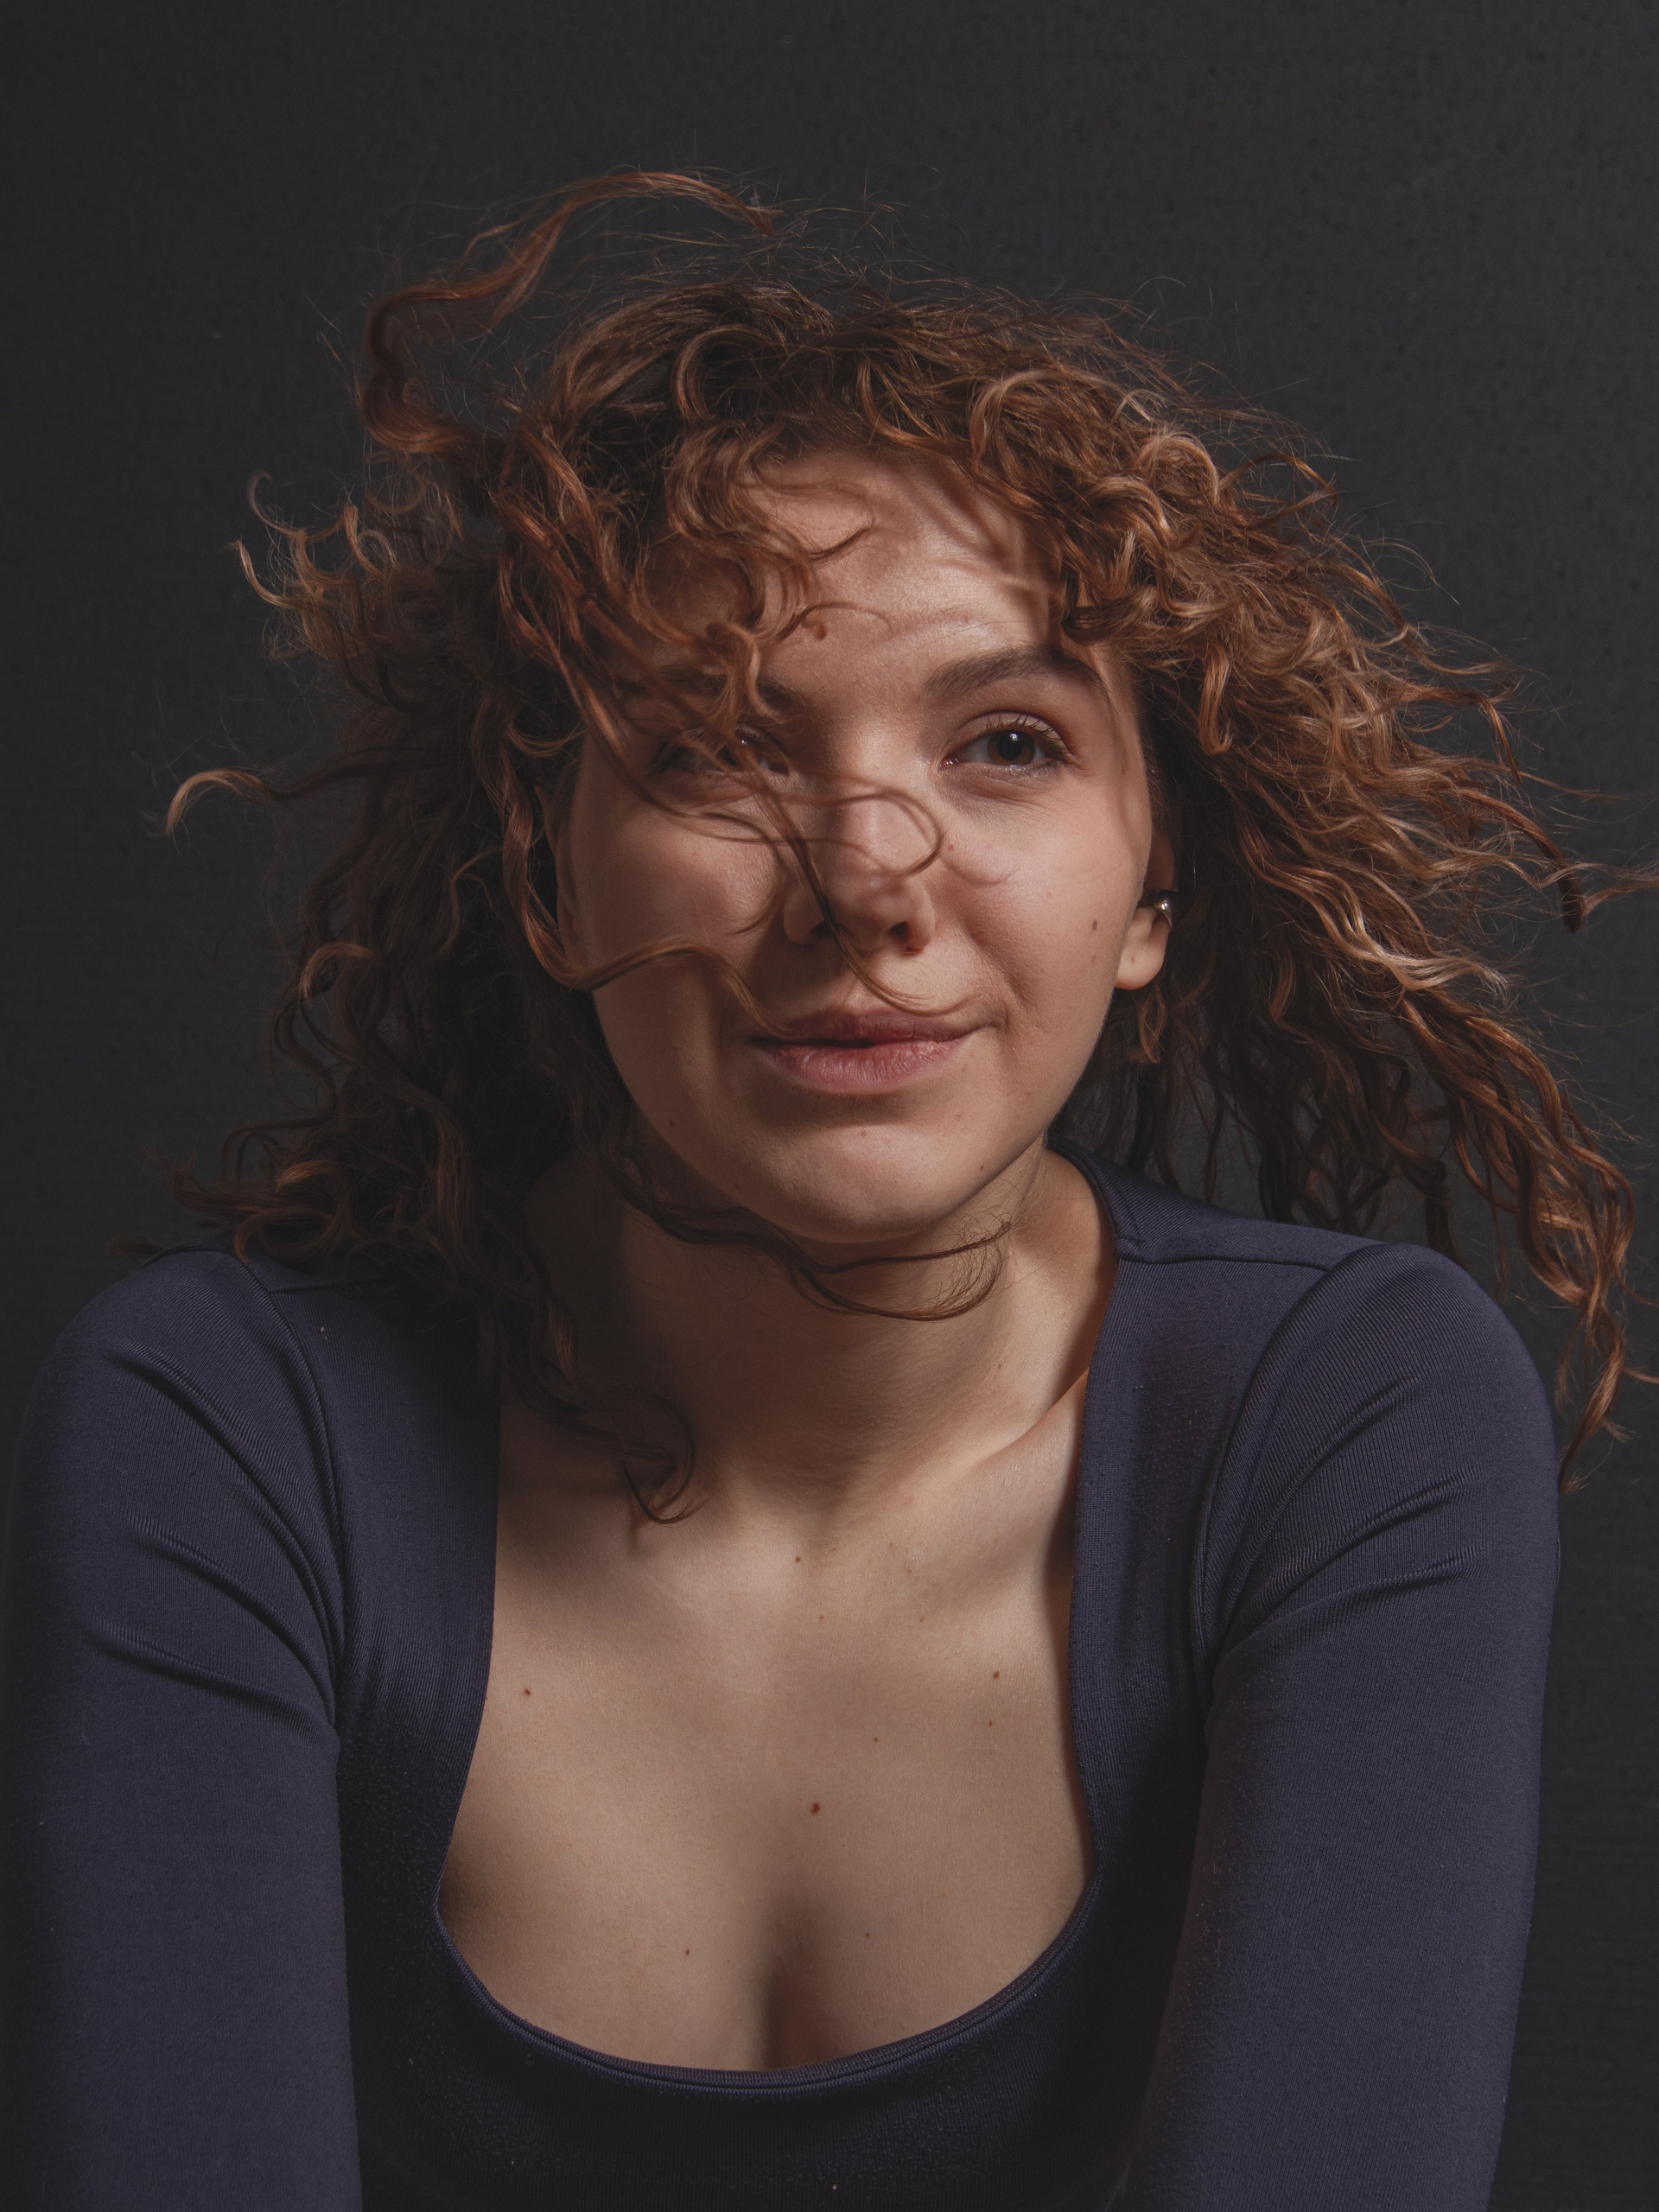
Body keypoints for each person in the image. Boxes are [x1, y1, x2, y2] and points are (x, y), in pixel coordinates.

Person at [0, 174, 1643, 2210]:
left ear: (1156, 882)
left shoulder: (1342, 1420)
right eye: (716, 744)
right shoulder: (226, 1436)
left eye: (1008, 742)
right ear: (546, 866)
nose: (868, 874)